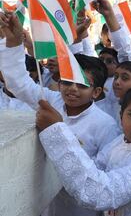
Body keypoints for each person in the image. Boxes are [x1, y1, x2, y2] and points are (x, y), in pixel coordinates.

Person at [0, 11, 120, 216]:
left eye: (82, 85)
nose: (72, 89)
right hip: (44, 202)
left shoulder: (106, 125)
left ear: (97, 92)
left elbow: (104, 173)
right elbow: (18, 82)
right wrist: (13, 42)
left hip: (80, 208)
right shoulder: (51, 100)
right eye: (67, 81)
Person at [36, 86, 131, 216]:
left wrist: (57, 132)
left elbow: (99, 194)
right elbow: (95, 166)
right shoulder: (120, 141)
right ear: (121, 116)